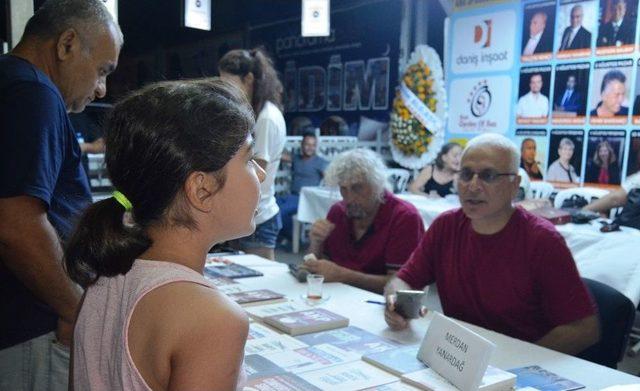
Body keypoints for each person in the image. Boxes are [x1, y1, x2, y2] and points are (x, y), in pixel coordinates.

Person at [66, 79, 264, 390]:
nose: (262, 174)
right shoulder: (213, 319)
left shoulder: (105, 275)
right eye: (250, 160)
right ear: (201, 189)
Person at [384, 134, 598, 355]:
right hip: (459, 357)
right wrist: (395, 302)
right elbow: (403, 280)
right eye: (466, 174)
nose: (473, 186)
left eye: (488, 176)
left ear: (514, 186)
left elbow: (584, 329)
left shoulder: (541, 241)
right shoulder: (445, 227)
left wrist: (521, 363)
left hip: (518, 366)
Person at [0, 1, 122, 389]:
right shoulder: (34, 92)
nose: (101, 88)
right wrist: (74, 309)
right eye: (102, 70)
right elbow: (16, 225)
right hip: (28, 325)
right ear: (67, 44)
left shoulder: (11, 81)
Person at [303, 149, 424, 294]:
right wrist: (316, 243)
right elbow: (314, 269)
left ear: (377, 186)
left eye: (357, 188)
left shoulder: (404, 217)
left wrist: (344, 275)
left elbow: (401, 284)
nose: (349, 198)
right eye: (343, 189)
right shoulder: (338, 212)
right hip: (337, 299)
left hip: (381, 308)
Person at [219, 48, 286, 261]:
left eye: (229, 83)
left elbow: (259, 170)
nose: (225, 90)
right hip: (253, 212)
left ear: (248, 79)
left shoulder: (265, 118)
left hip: (260, 215)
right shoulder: (261, 112)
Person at [277, 132, 328, 240]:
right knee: (272, 205)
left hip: (305, 198)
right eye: (307, 144)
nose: (310, 148)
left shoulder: (320, 162)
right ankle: (284, 236)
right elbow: (278, 154)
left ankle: (291, 238)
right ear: (302, 145)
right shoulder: (296, 158)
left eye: (313, 145)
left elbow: (329, 178)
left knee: (282, 211)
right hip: (291, 196)